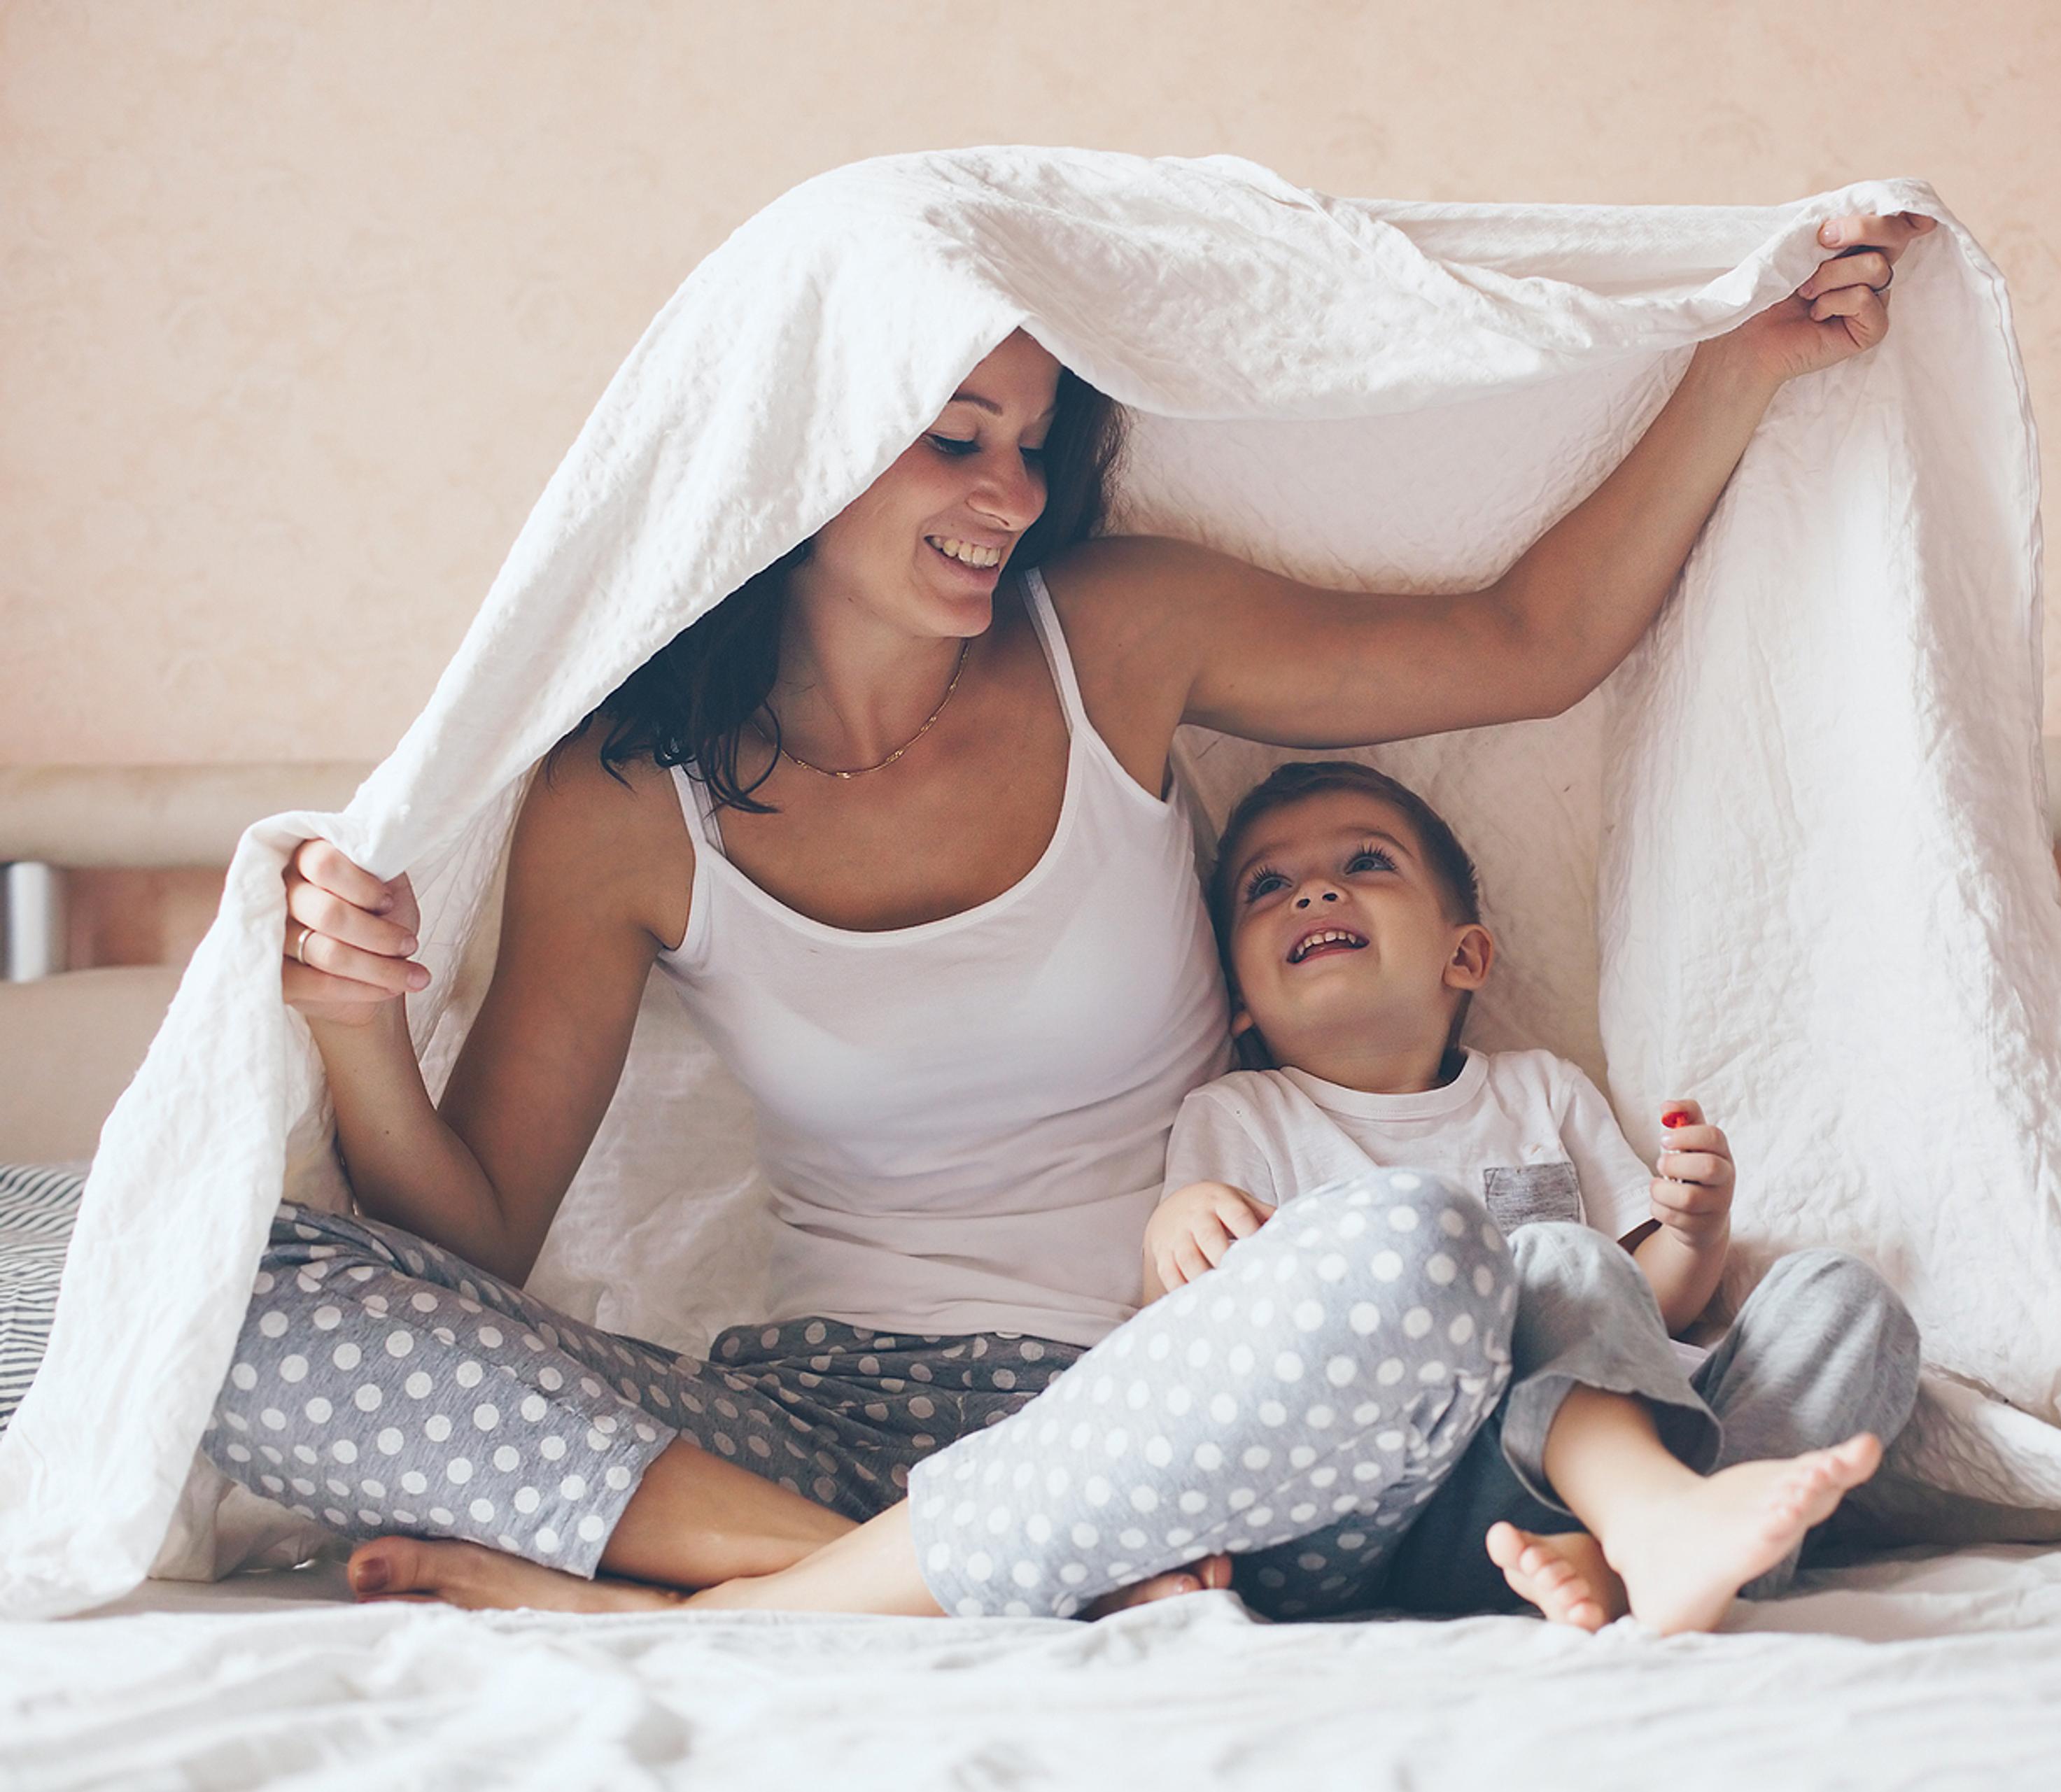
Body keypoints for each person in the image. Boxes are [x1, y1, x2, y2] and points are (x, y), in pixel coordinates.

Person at [209, 209, 1939, 1619]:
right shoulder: (621, 798)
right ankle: (856, 1573)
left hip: (1199, 1420)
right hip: (814, 1421)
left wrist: (1735, 371)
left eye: (1034, 444)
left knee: (1418, 1256)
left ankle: (768, 1604)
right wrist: (354, 1028)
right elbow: (480, 1233)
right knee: (223, 1293)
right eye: (954, 440)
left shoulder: (1111, 635)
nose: (1014, 496)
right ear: (795, 453)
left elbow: (1528, 640)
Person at [1147, 760, 1918, 1632]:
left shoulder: (1540, 1091)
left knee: (1847, 1299)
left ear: (1464, 953)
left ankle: (1659, 1544)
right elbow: (1184, 1347)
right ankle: (1649, 1531)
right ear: (1237, 1001)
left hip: (1639, 1428)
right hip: (1423, 1495)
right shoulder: (1245, 1114)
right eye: (1269, 884)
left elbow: (1647, 1299)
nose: (1315, 891)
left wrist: (1693, 1229)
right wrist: (1171, 1236)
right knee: (1556, 1257)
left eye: (1365, 863)